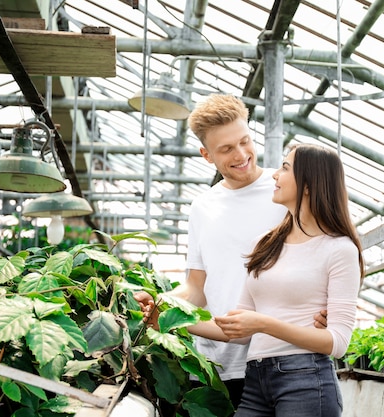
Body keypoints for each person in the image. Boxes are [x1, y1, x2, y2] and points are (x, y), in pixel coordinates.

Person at [135, 94, 327, 410]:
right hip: (216, 365)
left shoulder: (286, 190)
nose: (241, 154)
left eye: (245, 141)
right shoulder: (202, 207)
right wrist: (162, 305)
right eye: (226, 149)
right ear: (206, 155)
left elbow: (330, 254)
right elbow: (197, 286)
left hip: (282, 357)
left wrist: (330, 306)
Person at [187, 143, 364, 416]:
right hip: (257, 379)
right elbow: (236, 328)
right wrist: (169, 320)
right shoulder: (265, 244)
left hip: (306, 378)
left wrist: (264, 323)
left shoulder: (339, 249)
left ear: (308, 184)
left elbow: (337, 342)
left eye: (285, 168)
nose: (274, 175)